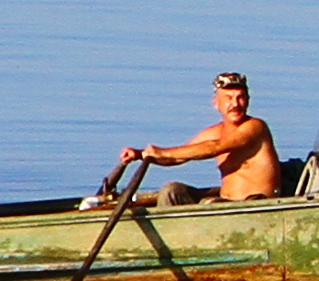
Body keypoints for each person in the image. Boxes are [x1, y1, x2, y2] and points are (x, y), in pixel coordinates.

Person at [116, 72, 283, 205]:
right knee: (171, 190)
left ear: (247, 101)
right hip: (225, 203)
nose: (235, 104)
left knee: (209, 204)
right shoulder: (215, 131)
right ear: (216, 103)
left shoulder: (256, 127)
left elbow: (215, 147)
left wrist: (163, 152)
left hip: (256, 205)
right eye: (228, 98)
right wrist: (141, 154)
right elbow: (179, 157)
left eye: (240, 97)